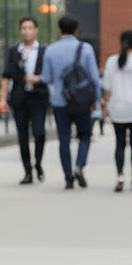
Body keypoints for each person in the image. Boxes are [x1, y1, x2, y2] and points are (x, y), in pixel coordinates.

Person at [40, 16, 101, 189]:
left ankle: (68, 177)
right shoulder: (86, 49)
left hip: (60, 101)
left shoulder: (50, 50)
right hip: (82, 100)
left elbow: (47, 78)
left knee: (64, 139)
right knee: (85, 136)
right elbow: (94, 76)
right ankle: (79, 165)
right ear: (76, 31)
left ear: (60, 30)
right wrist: (97, 98)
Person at [0, 16, 50, 184]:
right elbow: (6, 76)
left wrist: (39, 79)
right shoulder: (14, 51)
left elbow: (51, 74)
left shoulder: (44, 51)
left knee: (39, 132)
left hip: (39, 97)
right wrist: (2, 99)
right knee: (23, 136)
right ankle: (28, 171)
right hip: (20, 98)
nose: (27, 32)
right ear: (20, 31)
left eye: (30, 28)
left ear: (36, 30)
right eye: (23, 28)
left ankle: (38, 163)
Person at [101, 29, 132, 192]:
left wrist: (105, 107)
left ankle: (120, 176)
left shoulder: (111, 61)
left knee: (120, 143)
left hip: (117, 108)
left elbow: (107, 89)